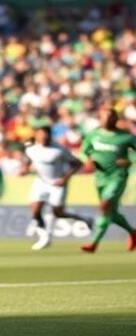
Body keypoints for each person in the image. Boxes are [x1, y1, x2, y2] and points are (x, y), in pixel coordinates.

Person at [25, 126, 93, 250]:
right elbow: (28, 153)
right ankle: (44, 236)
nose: (44, 139)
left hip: (57, 184)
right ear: (37, 136)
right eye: (41, 136)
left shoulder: (59, 150)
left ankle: (85, 219)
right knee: (35, 210)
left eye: (46, 136)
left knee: (58, 213)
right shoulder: (30, 148)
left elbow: (77, 164)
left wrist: (65, 179)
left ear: (50, 136)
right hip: (40, 182)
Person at [80, 107, 136, 253]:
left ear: (116, 119)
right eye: (105, 116)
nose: (108, 119)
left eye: (111, 116)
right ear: (100, 118)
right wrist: (89, 160)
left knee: (105, 205)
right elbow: (84, 151)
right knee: (110, 212)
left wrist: (130, 160)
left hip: (118, 177)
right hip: (100, 178)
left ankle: (94, 243)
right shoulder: (93, 135)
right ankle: (133, 232)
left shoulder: (126, 136)